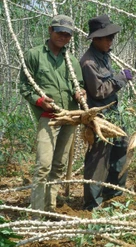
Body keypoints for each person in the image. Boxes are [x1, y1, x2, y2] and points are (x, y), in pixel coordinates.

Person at [20, 14, 85, 214]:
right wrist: (39, 101)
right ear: (50, 31)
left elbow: (79, 85)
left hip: (69, 117)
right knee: (43, 166)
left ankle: (50, 210)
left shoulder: (71, 60)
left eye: (67, 35)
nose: (63, 37)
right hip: (48, 119)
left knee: (58, 165)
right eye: (60, 33)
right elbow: (24, 86)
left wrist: (79, 92)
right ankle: (38, 214)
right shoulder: (34, 55)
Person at [80, 14, 133, 211]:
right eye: (107, 37)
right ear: (96, 38)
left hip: (115, 113)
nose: (111, 41)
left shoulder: (104, 56)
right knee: (98, 159)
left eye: (112, 37)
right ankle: (92, 204)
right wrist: (121, 78)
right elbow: (99, 91)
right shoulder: (88, 63)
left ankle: (114, 194)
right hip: (100, 119)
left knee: (120, 151)